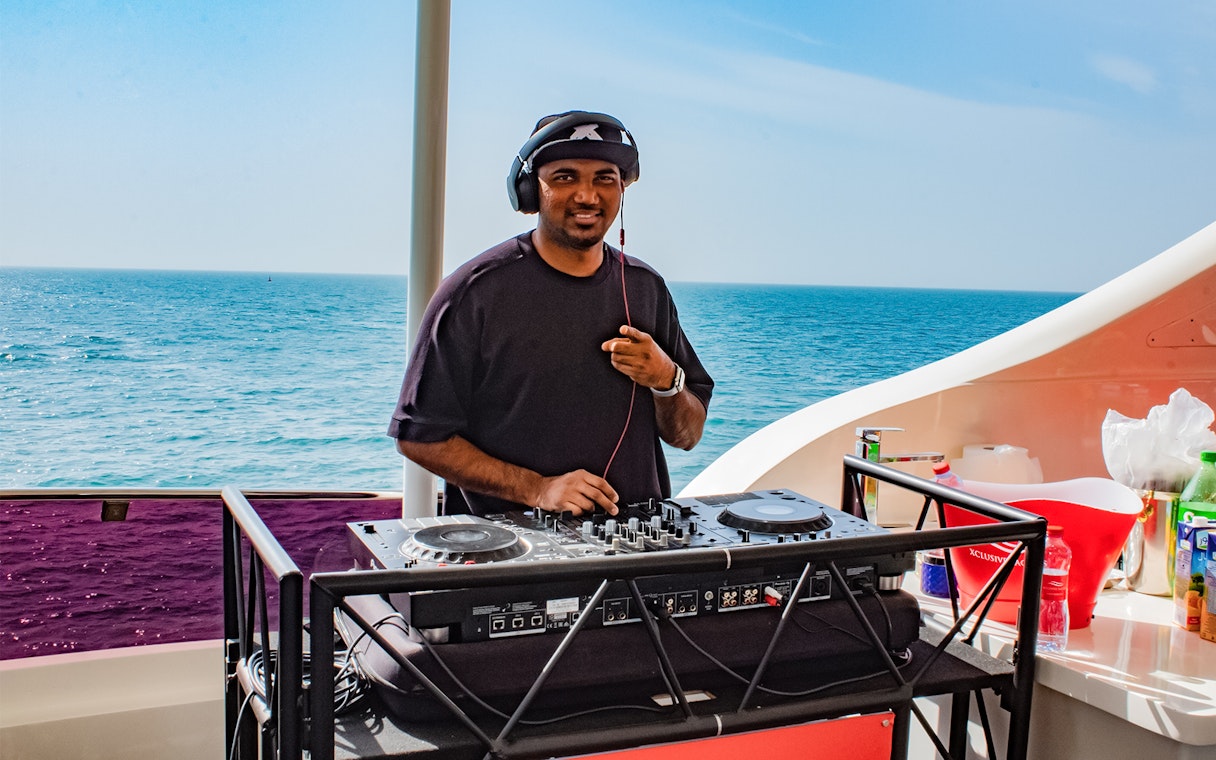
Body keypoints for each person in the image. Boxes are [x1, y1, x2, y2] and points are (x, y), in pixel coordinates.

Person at [388, 110, 713, 518]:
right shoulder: (474, 292)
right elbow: (418, 437)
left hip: (634, 557)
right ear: (529, 190)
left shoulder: (647, 289)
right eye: (565, 177)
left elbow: (687, 435)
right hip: (510, 560)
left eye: (604, 179)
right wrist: (537, 489)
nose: (587, 196)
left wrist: (667, 380)